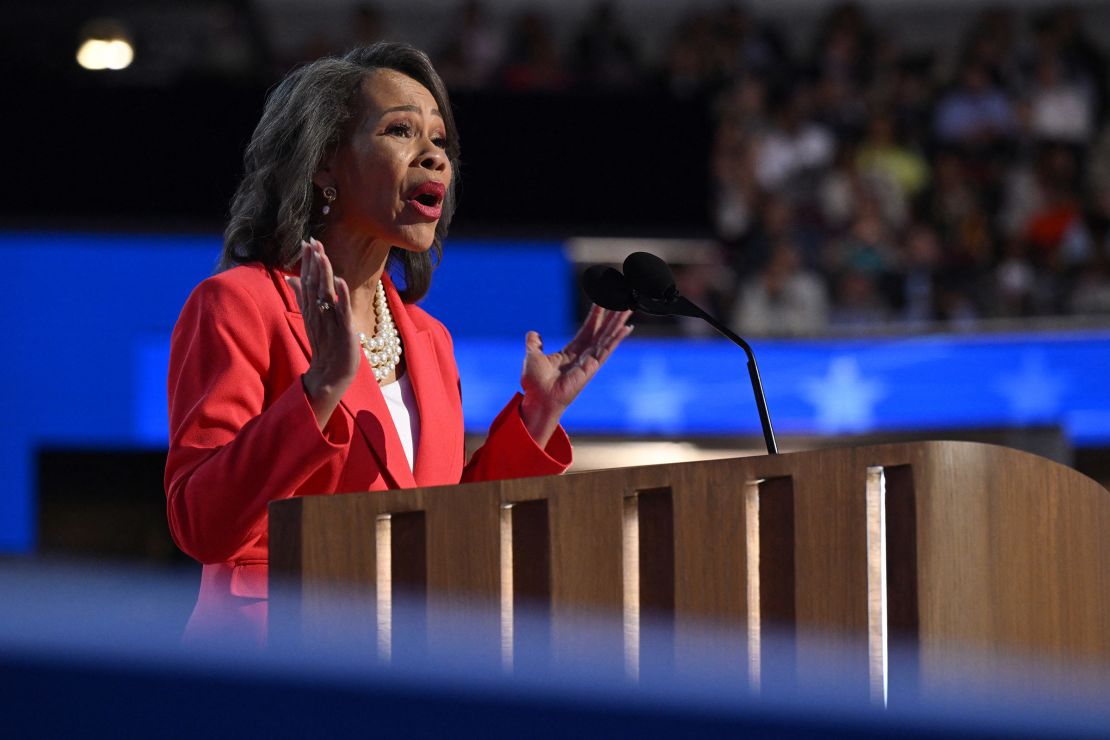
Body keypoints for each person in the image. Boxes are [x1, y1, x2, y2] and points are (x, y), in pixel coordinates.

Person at [164, 43, 632, 645]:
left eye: (440, 140)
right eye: (401, 130)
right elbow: (202, 525)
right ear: (324, 163)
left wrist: (537, 417)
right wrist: (319, 389)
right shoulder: (237, 305)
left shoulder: (429, 339)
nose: (434, 156)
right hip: (272, 663)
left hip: (405, 662)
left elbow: (443, 522)